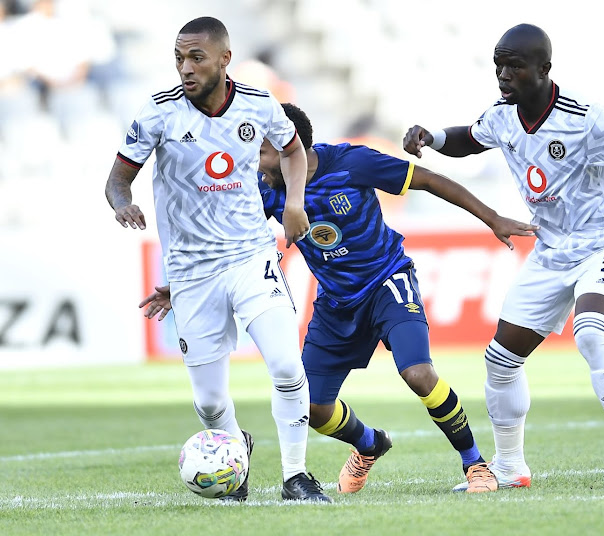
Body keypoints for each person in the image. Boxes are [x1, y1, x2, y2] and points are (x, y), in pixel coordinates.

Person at [140, 102, 539, 494]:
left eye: (260, 152)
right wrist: (182, 286)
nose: (254, 162)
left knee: (417, 373)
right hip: (335, 302)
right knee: (310, 408)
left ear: (286, 147)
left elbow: (430, 180)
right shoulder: (264, 189)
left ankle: (475, 463)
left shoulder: (352, 163)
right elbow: (232, 243)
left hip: (387, 282)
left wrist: (493, 218)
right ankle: (368, 444)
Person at [403, 23, 604, 490]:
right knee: (500, 360)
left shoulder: (586, 117)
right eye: (499, 65)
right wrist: (430, 136)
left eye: (514, 66)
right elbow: (469, 139)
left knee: (591, 334)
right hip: (552, 251)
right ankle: (510, 467)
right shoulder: (504, 114)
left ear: (543, 69)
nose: (504, 75)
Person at [104, 16, 330, 503]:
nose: (185, 67)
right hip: (190, 271)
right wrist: (123, 202)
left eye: (196, 58)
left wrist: (294, 203)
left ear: (224, 59)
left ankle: (296, 476)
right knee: (208, 402)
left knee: (288, 366)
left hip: (250, 255)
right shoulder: (158, 113)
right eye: (180, 58)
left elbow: (293, 152)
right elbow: (117, 178)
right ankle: (236, 457)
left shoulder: (258, 104)